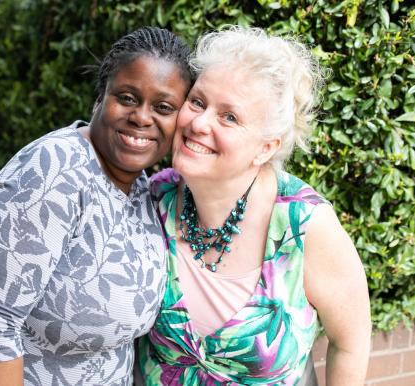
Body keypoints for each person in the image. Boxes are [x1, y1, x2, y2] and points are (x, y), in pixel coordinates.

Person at [0, 27, 192, 386]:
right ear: (99, 99)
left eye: (163, 107)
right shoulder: (55, 170)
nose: (142, 117)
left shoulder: (144, 186)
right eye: (127, 98)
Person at [137, 26, 371, 385]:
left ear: (266, 148)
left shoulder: (305, 226)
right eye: (198, 102)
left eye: (229, 117)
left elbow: (351, 342)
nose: (199, 123)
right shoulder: (153, 200)